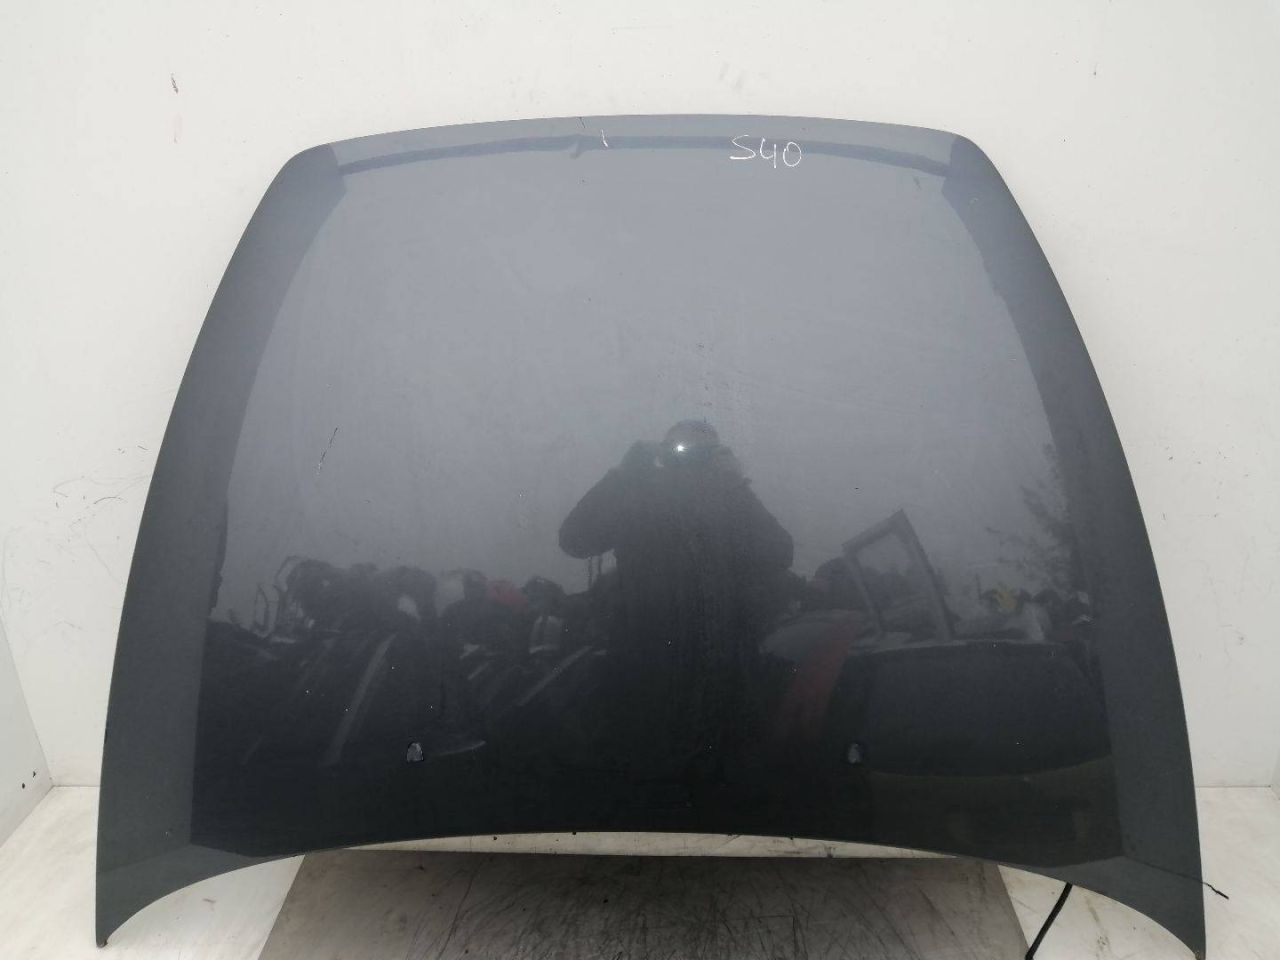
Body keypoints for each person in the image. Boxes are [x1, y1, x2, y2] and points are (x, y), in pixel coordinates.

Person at [559, 420, 793, 779]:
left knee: (721, 777)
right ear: (665, 452)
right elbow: (575, 540)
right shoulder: (640, 496)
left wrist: (737, 485)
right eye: (682, 448)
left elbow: (779, 552)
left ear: (716, 456)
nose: (691, 457)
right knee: (650, 771)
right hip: (648, 670)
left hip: (724, 674)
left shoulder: (730, 503)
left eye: (704, 450)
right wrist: (621, 475)